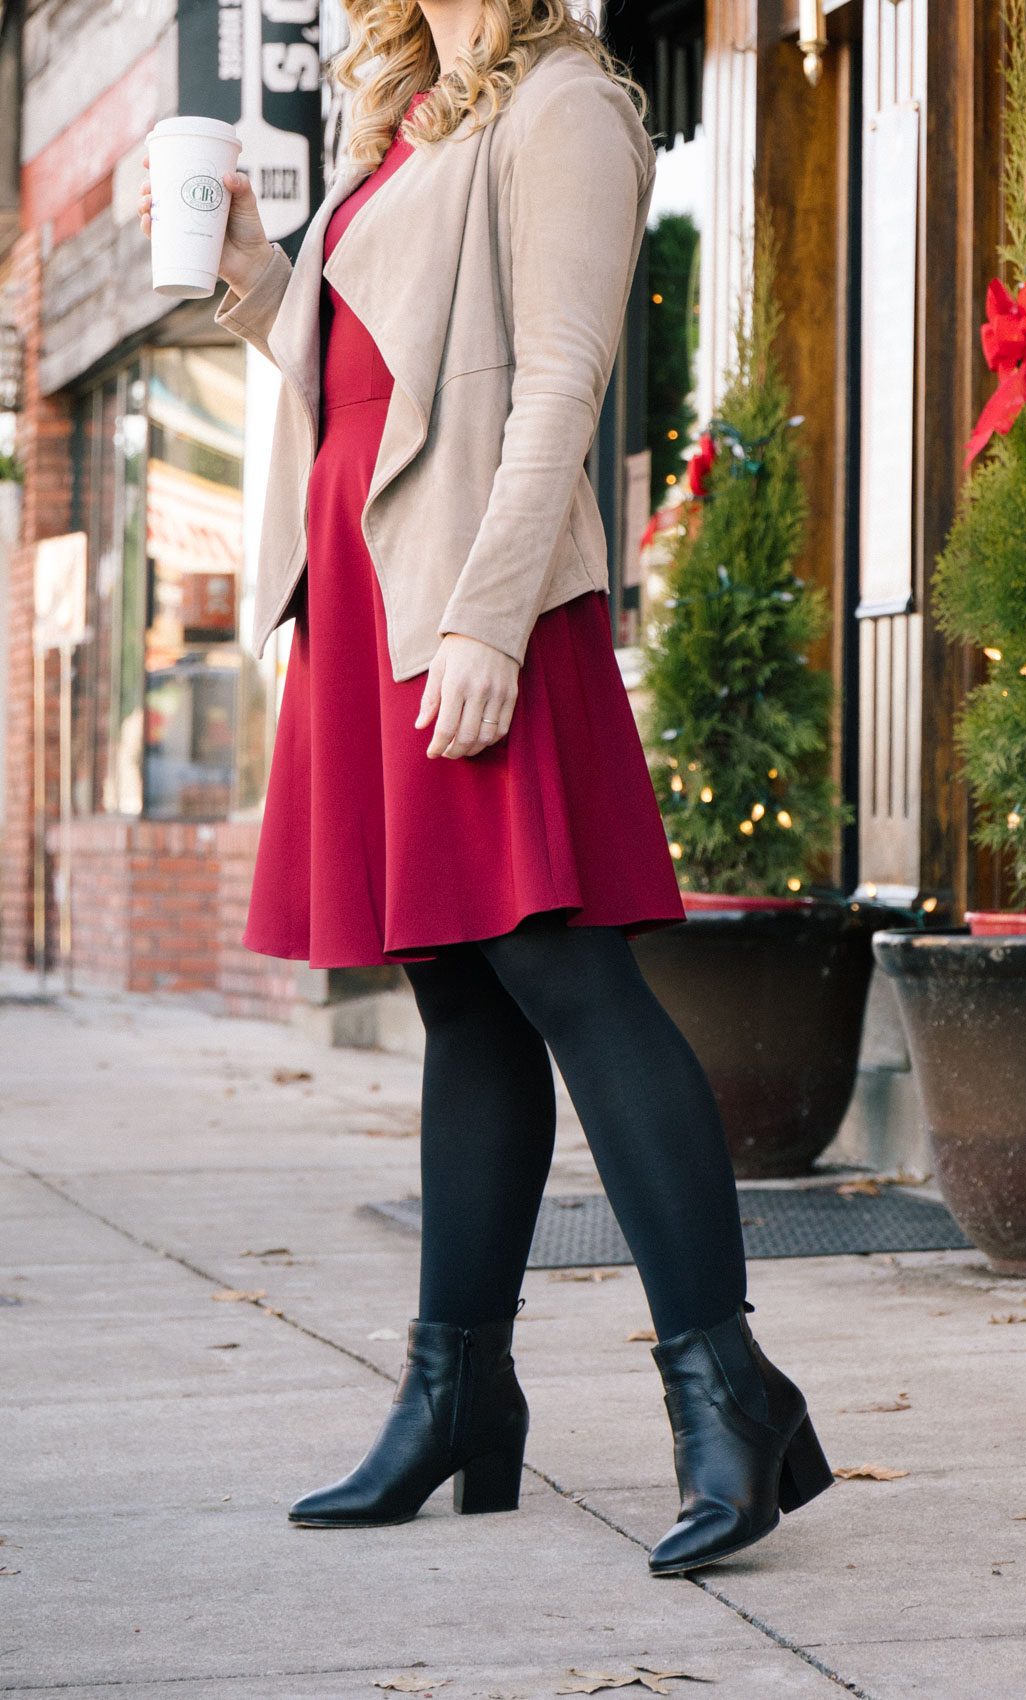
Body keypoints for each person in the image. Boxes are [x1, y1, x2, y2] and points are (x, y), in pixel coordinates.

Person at [138, 0, 833, 1577]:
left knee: (562, 968)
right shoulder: (407, 112)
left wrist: (485, 616)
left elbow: (564, 382)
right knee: (459, 984)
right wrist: (253, 263)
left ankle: (727, 1392)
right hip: (371, 587)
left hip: (472, 596)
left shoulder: (568, 100)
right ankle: (459, 1395)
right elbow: (351, 367)